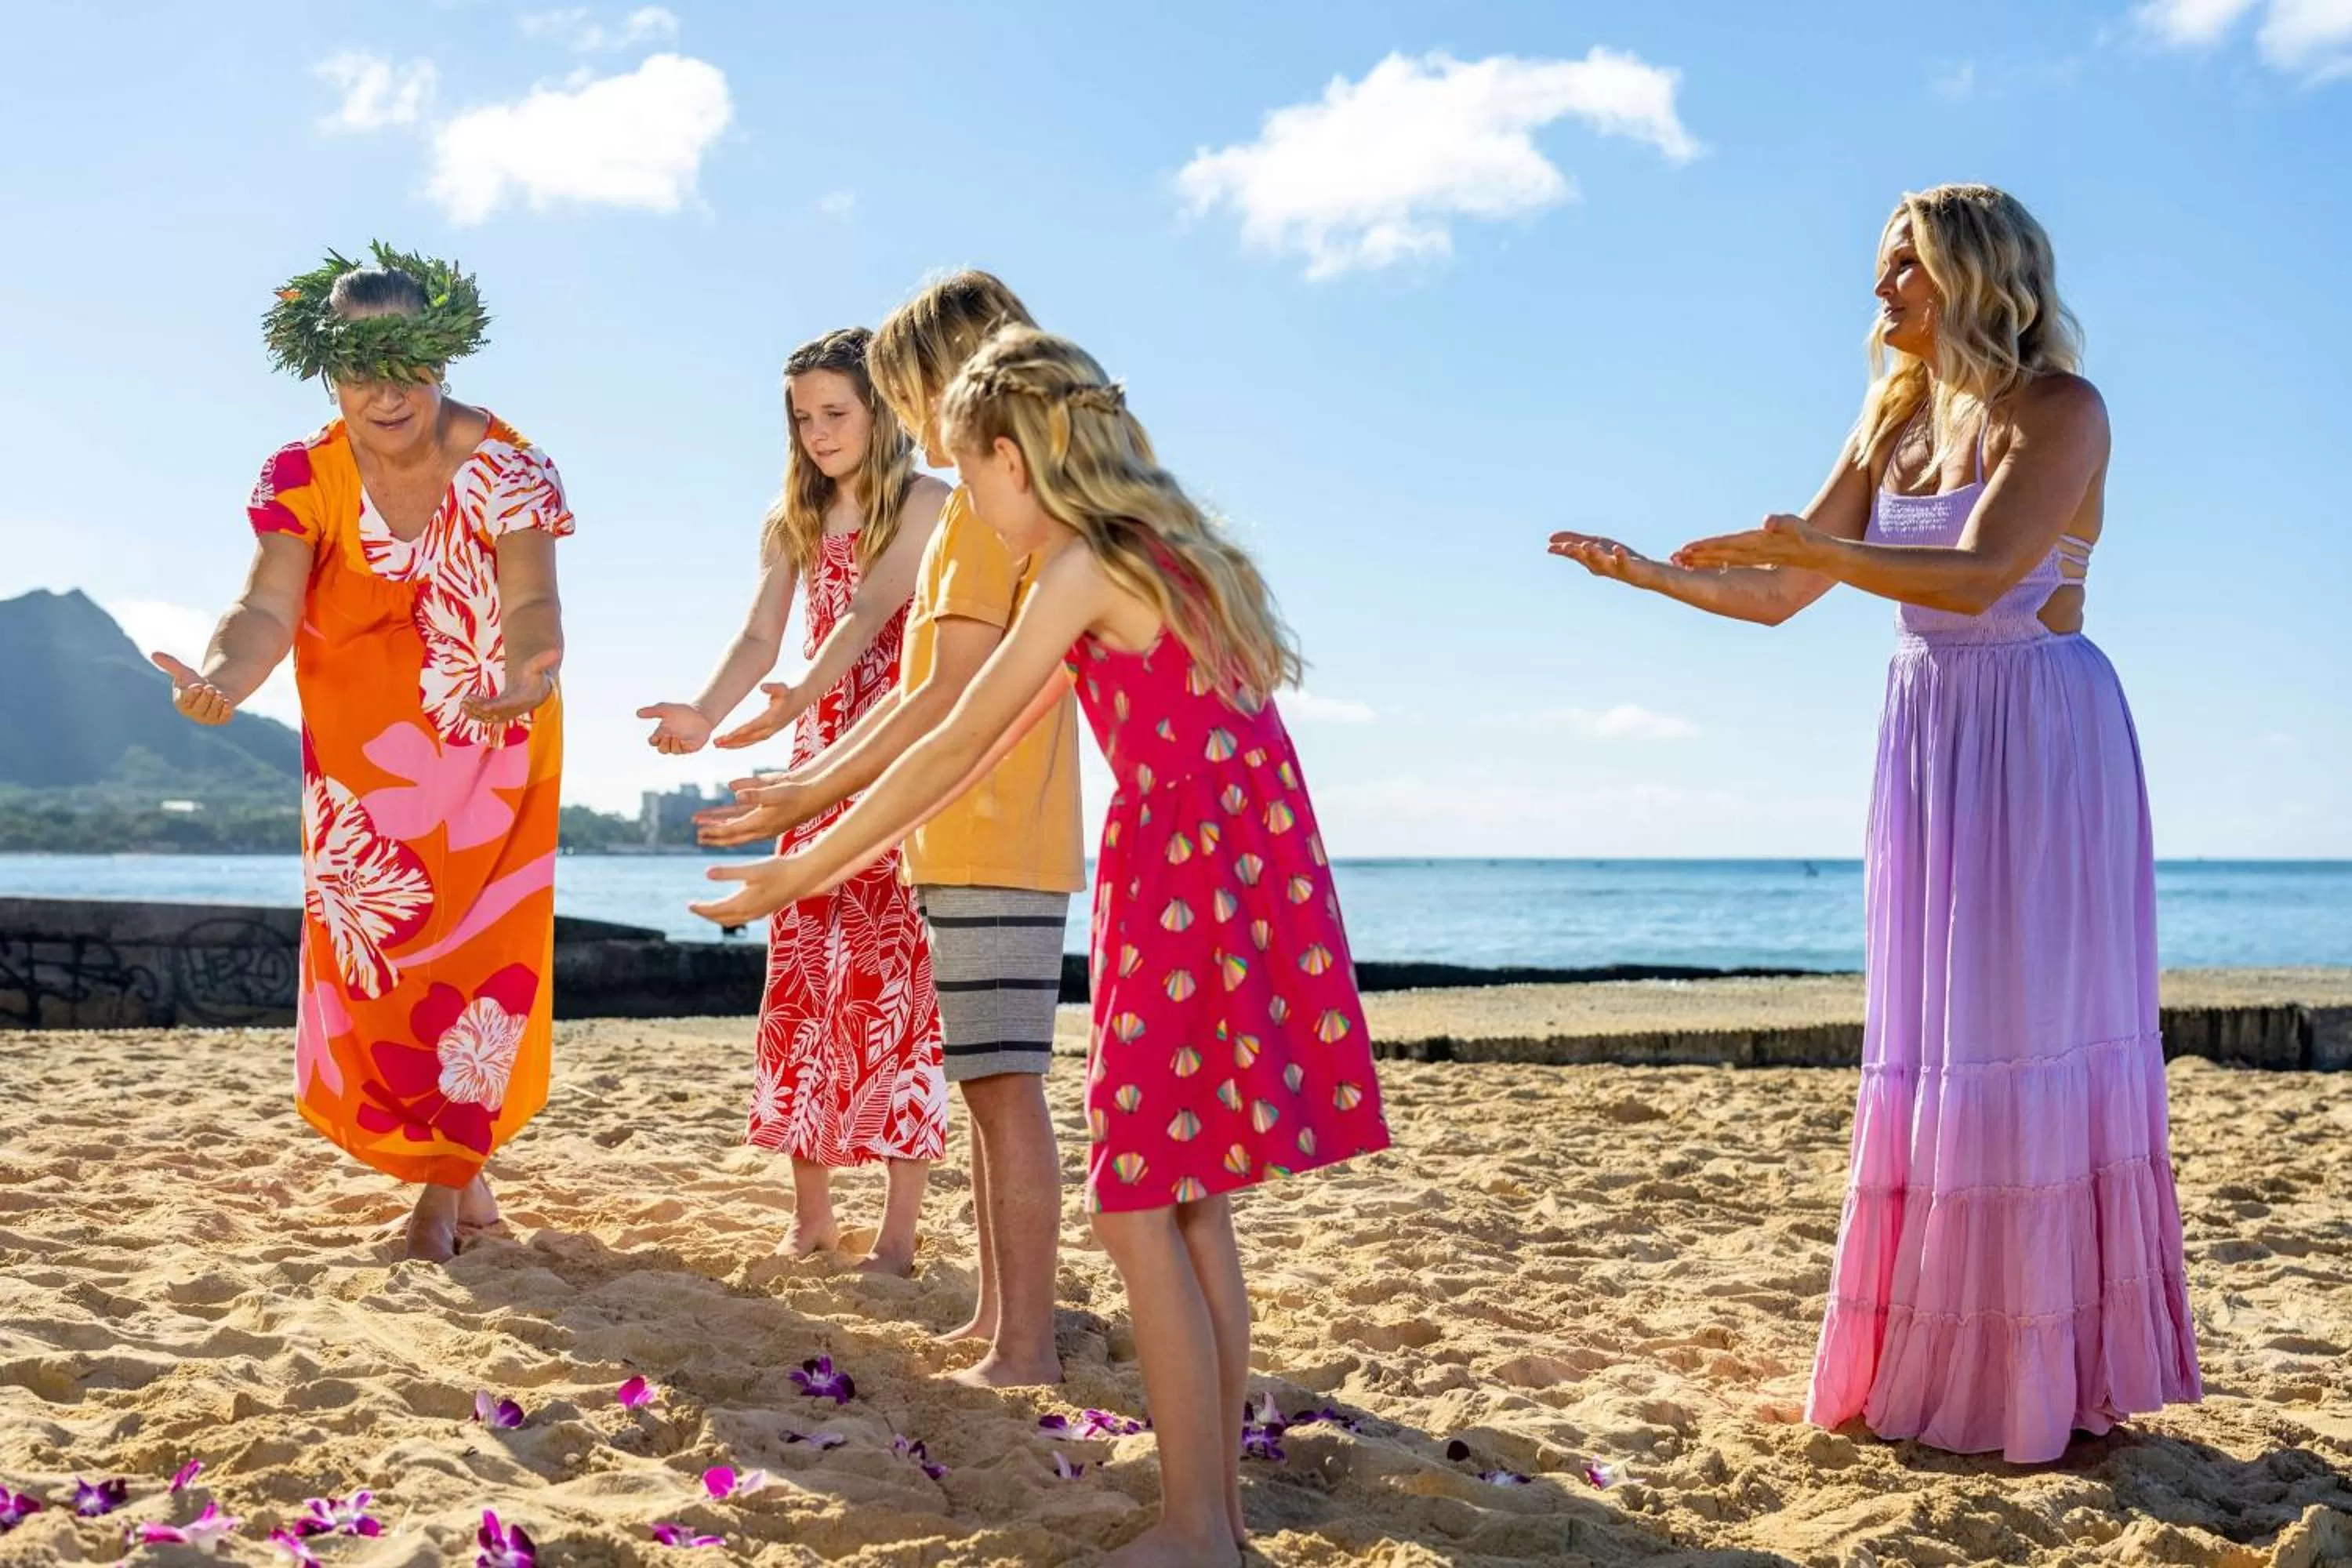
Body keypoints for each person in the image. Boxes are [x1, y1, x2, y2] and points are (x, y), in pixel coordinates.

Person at [691, 327, 1391, 1566]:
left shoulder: (1078, 564)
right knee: (1189, 1208)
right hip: (1255, 883)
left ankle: (1194, 1530)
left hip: (1182, 888)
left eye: (976, 471)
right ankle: (1217, 1518)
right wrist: (809, 816)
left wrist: (802, 867)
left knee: (1136, 1210)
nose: (977, 505)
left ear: (1017, 459)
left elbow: (958, 739)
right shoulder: (1181, 552)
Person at [1550, 183, 2201, 1461]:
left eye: (1902, 268)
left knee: (2023, 1038)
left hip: (2039, 735)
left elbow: (1983, 571)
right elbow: (1786, 586)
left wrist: (1826, 552)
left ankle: (2049, 1373)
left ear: (1974, 276)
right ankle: (1941, 1350)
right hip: (1929, 734)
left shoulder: (2063, 410)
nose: (1879, 292)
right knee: (1939, 1042)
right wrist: (1651, 576)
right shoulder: (1896, 417)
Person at [699, 271, 1085, 1385]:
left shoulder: (963, 510)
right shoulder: (981, 506)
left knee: (996, 1083)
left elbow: (938, 696)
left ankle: (1020, 1340)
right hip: (933, 810)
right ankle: (998, 1323)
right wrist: (792, 769)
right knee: (978, 1076)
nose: (887, 423)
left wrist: (811, 795)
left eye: (886, 398)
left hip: (963, 813)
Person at [153, 245, 571, 1262]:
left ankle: (435, 1199)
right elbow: (264, 605)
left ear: (444, 358)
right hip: (361, 777)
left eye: (406, 364)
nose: (384, 393)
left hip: (489, 746)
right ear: (324, 367)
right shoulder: (305, 473)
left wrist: (531, 667)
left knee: (475, 968)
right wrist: (223, 679)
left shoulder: (506, 463)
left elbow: (529, 596)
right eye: (357, 368)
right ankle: (466, 1185)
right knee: (385, 976)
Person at [640, 327, 949, 1275]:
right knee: (807, 980)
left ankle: (898, 1230)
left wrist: (800, 701)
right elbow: (756, 637)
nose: (818, 432)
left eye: (836, 412)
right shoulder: (792, 521)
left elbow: (867, 620)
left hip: (894, 753)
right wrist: (705, 708)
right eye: (802, 416)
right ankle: (811, 1213)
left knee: (897, 989)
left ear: (885, 409)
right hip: (810, 764)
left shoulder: (931, 502)